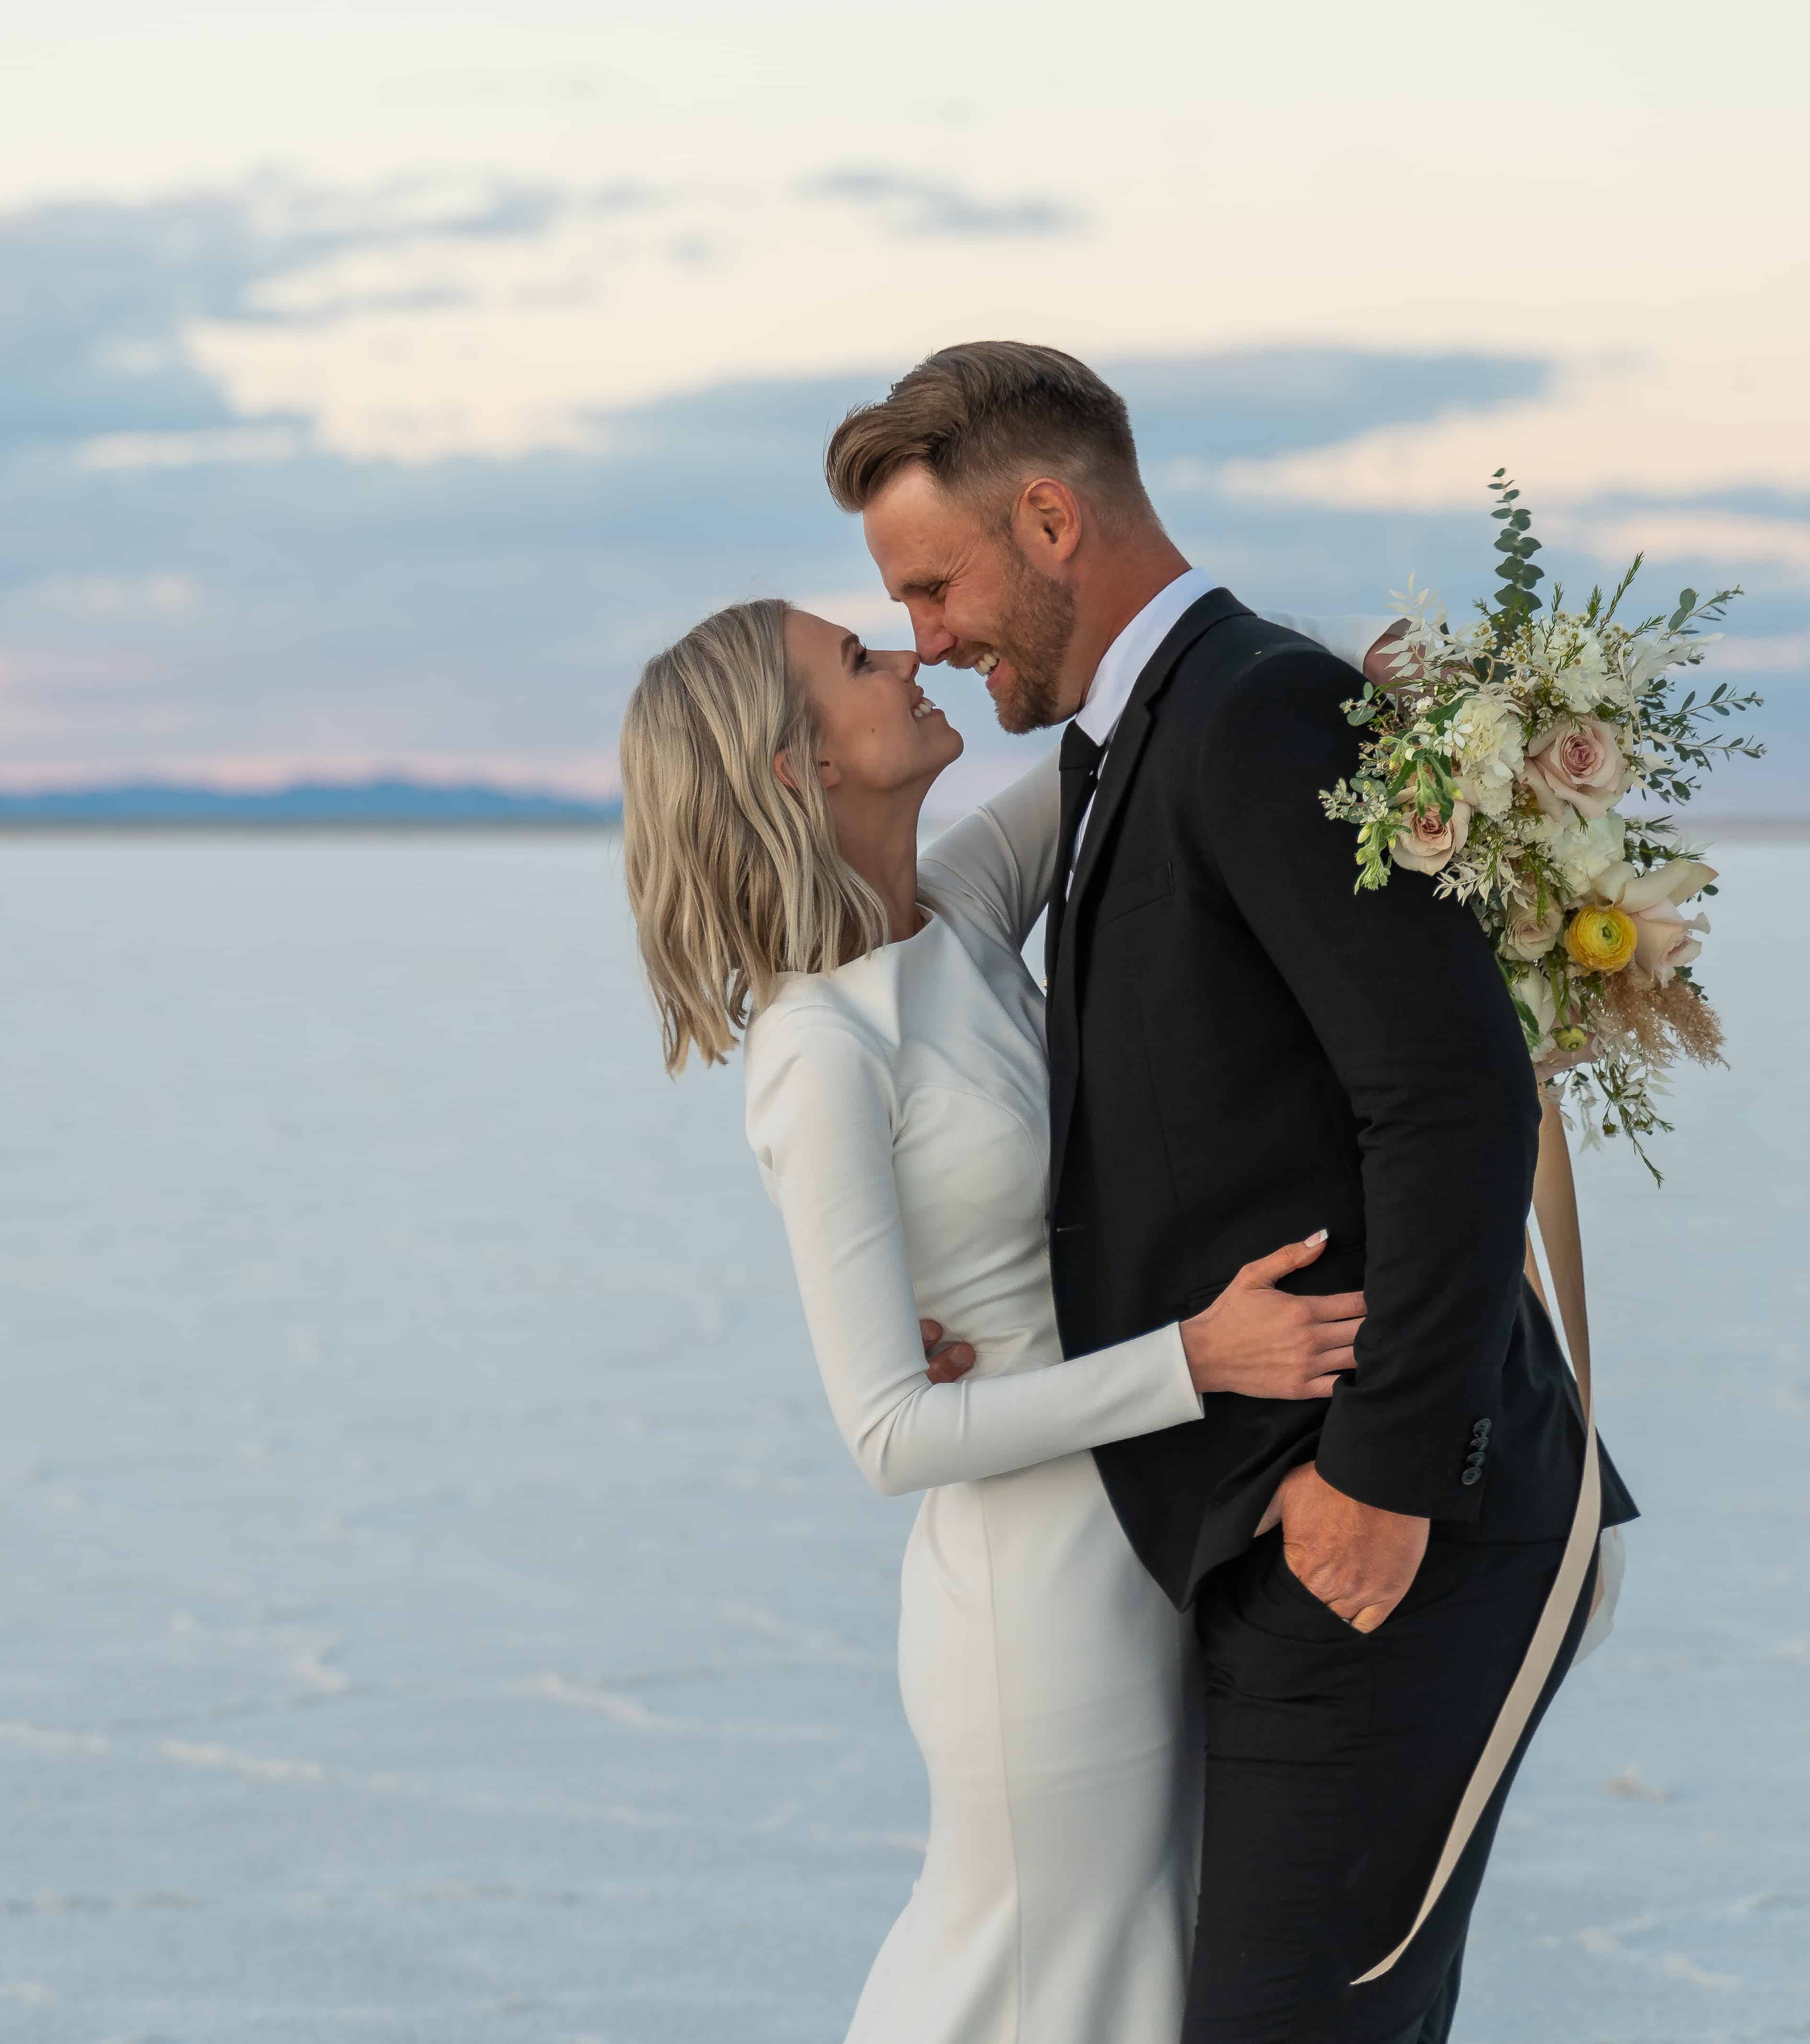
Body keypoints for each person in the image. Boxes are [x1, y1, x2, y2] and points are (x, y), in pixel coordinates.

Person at [823, 341, 1635, 2044]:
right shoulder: (1160, 731)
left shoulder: (1249, 711)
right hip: (1270, 1535)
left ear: (1050, 519)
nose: (927, 638)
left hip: (1396, 1533)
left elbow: (1453, 1099)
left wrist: (1385, 1481)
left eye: (934, 584)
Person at [619, 592, 1404, 2044]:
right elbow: (889, 1430)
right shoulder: (820, 1049)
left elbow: (1161, 695)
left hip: (1151, 1539)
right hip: (1035, 1609)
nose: (910, 654)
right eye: (858, 661)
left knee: (1137, 1987)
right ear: (803, 767)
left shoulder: (964, 914)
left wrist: (1356, 664)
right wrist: (1198, 1357)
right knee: (1031, 1986)